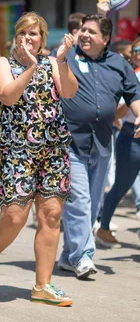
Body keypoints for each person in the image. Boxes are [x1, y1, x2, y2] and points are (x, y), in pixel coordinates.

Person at [0, 12, 78, 306]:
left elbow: (68, 91)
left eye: (34, 34)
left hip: (53, 148)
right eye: (23, 33)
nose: (28, 38)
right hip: (16, 149)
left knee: (51, 215)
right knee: (15, 215)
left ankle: (42, 285)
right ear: (16, 37)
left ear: (43, 38)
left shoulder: (53, 62)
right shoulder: (3, 63)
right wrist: (30, 67)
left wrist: (64, 59)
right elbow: (7, 96)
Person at [58, 14, 140, 279]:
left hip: (103, 144)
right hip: (69, 141)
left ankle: (67, 256)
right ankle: (83, 256)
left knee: (92, 204)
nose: (84, 35)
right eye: (83, 29)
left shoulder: (119, 64)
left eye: (91, 32)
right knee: (79, 201)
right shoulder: (66, 55)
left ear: (106, 39)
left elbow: (134, 94)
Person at [96, 37, 140, 247]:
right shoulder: (132, 77)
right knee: (122, 185)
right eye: (137, 49)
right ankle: (102, 227)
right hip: (131, 137)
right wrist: (135, 102)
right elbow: (118, 111)